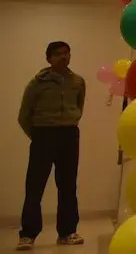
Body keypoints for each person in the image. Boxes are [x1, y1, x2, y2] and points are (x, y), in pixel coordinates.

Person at [16, 42, 86, 250]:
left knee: (68, 185)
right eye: (57, 54)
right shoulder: (37, 83)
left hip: (69, 134)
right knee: (35, 186)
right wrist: (38, 136)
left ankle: (67, 232)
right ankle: (28, 234)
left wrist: (68, 123)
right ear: (48, 59)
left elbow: (79, 107)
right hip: (43, 135)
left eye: (66, 53)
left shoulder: (78, 81)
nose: (63, 57)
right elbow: (24, 116)